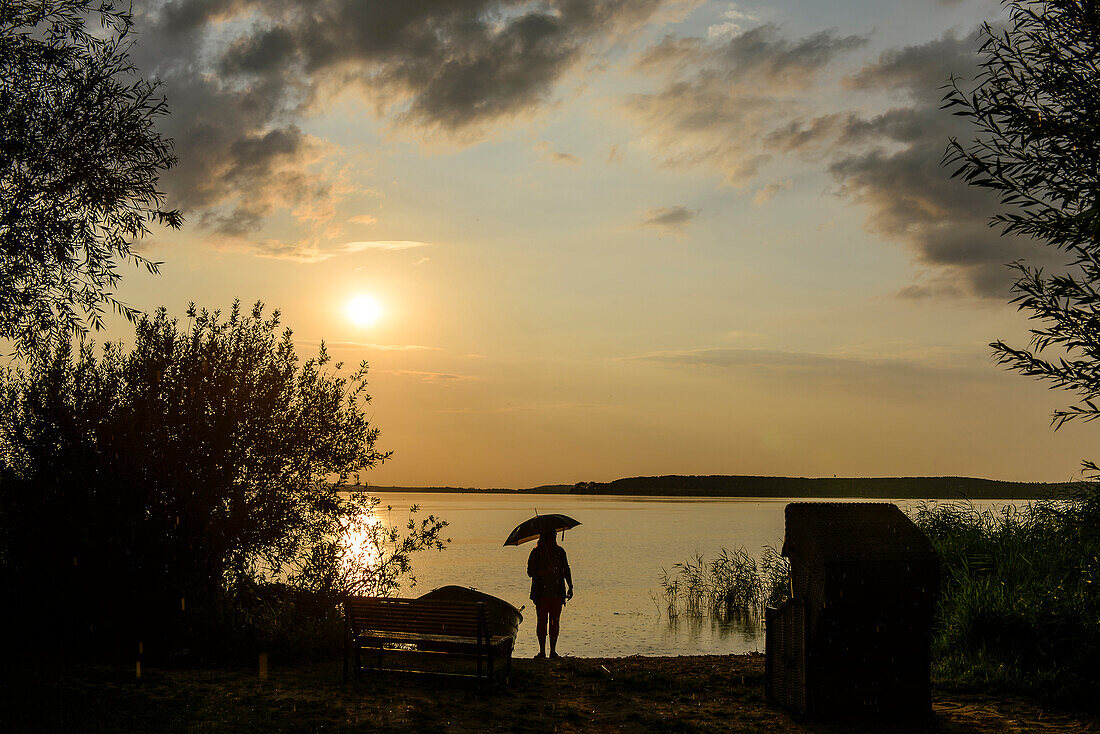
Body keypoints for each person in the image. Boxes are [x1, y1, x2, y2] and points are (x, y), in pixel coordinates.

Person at [527, 529, 573, 658]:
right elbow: (530, 572)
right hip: (541, 594)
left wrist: (570, 586)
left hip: (557, 593)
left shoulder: (560, 552)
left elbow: (566, 569)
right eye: (551, 536)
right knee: (542, 622)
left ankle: (553, 651)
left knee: (555, 621)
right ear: (544, 537)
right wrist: (545, 571)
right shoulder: (536, 553)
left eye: (555, 536)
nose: (554, 539)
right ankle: (542, 651)